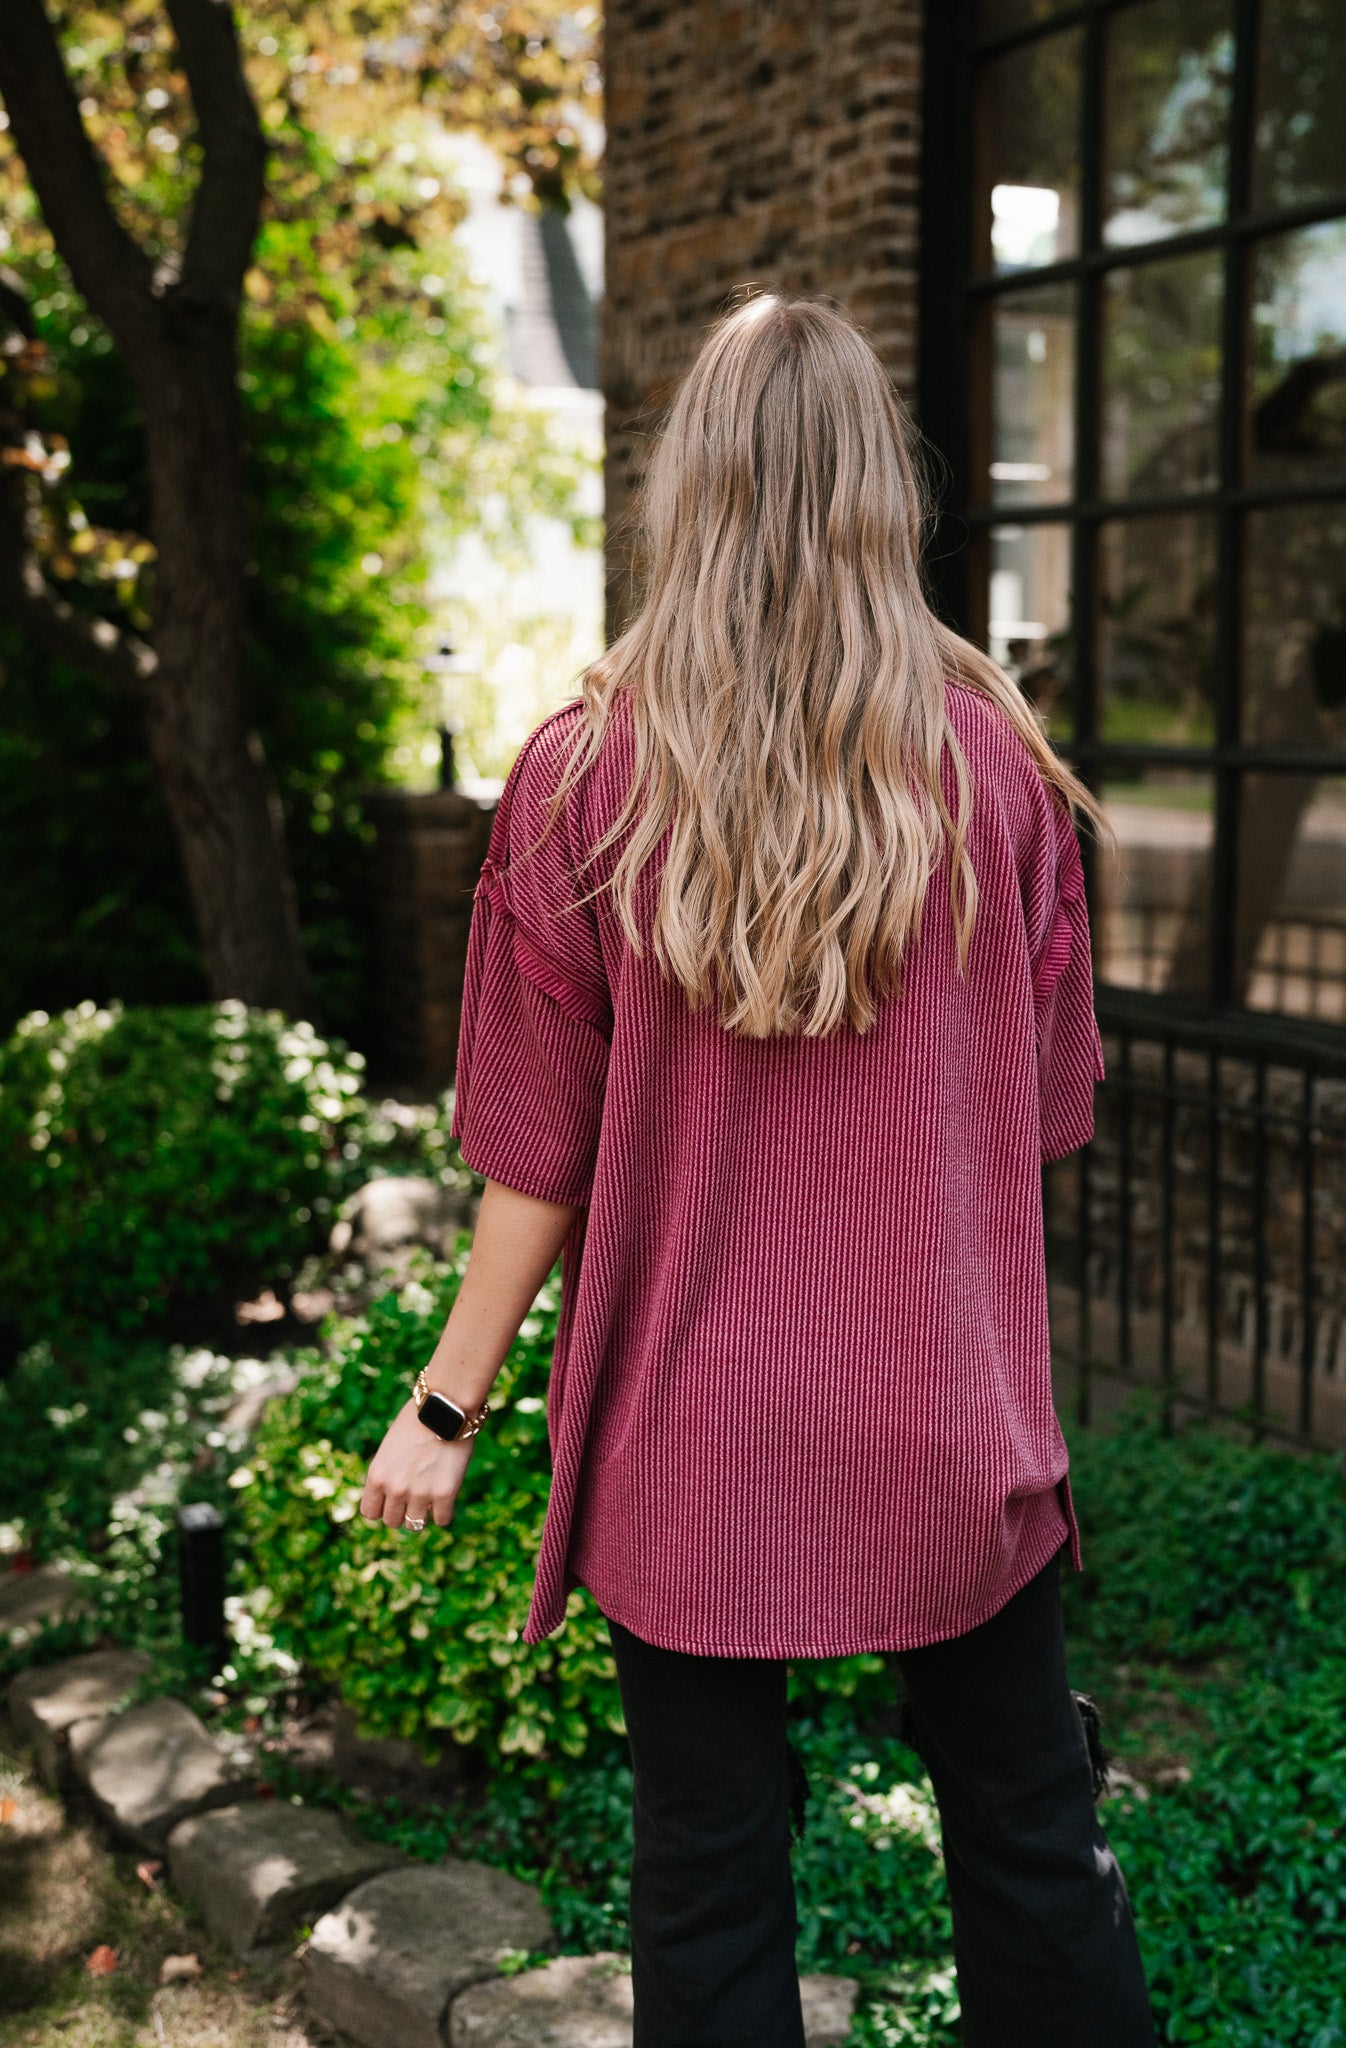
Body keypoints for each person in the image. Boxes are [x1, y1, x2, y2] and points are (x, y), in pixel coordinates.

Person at [360, 294, 1157, 2048]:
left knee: (712, 1873)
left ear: (689, 494)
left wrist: (443, 1404)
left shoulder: (582, 776)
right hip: (944, 1420)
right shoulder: (997, 773)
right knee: (1029, 1839)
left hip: (687, 1436)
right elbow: (1035, 1119)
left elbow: (534, 1153)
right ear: (884, 490)